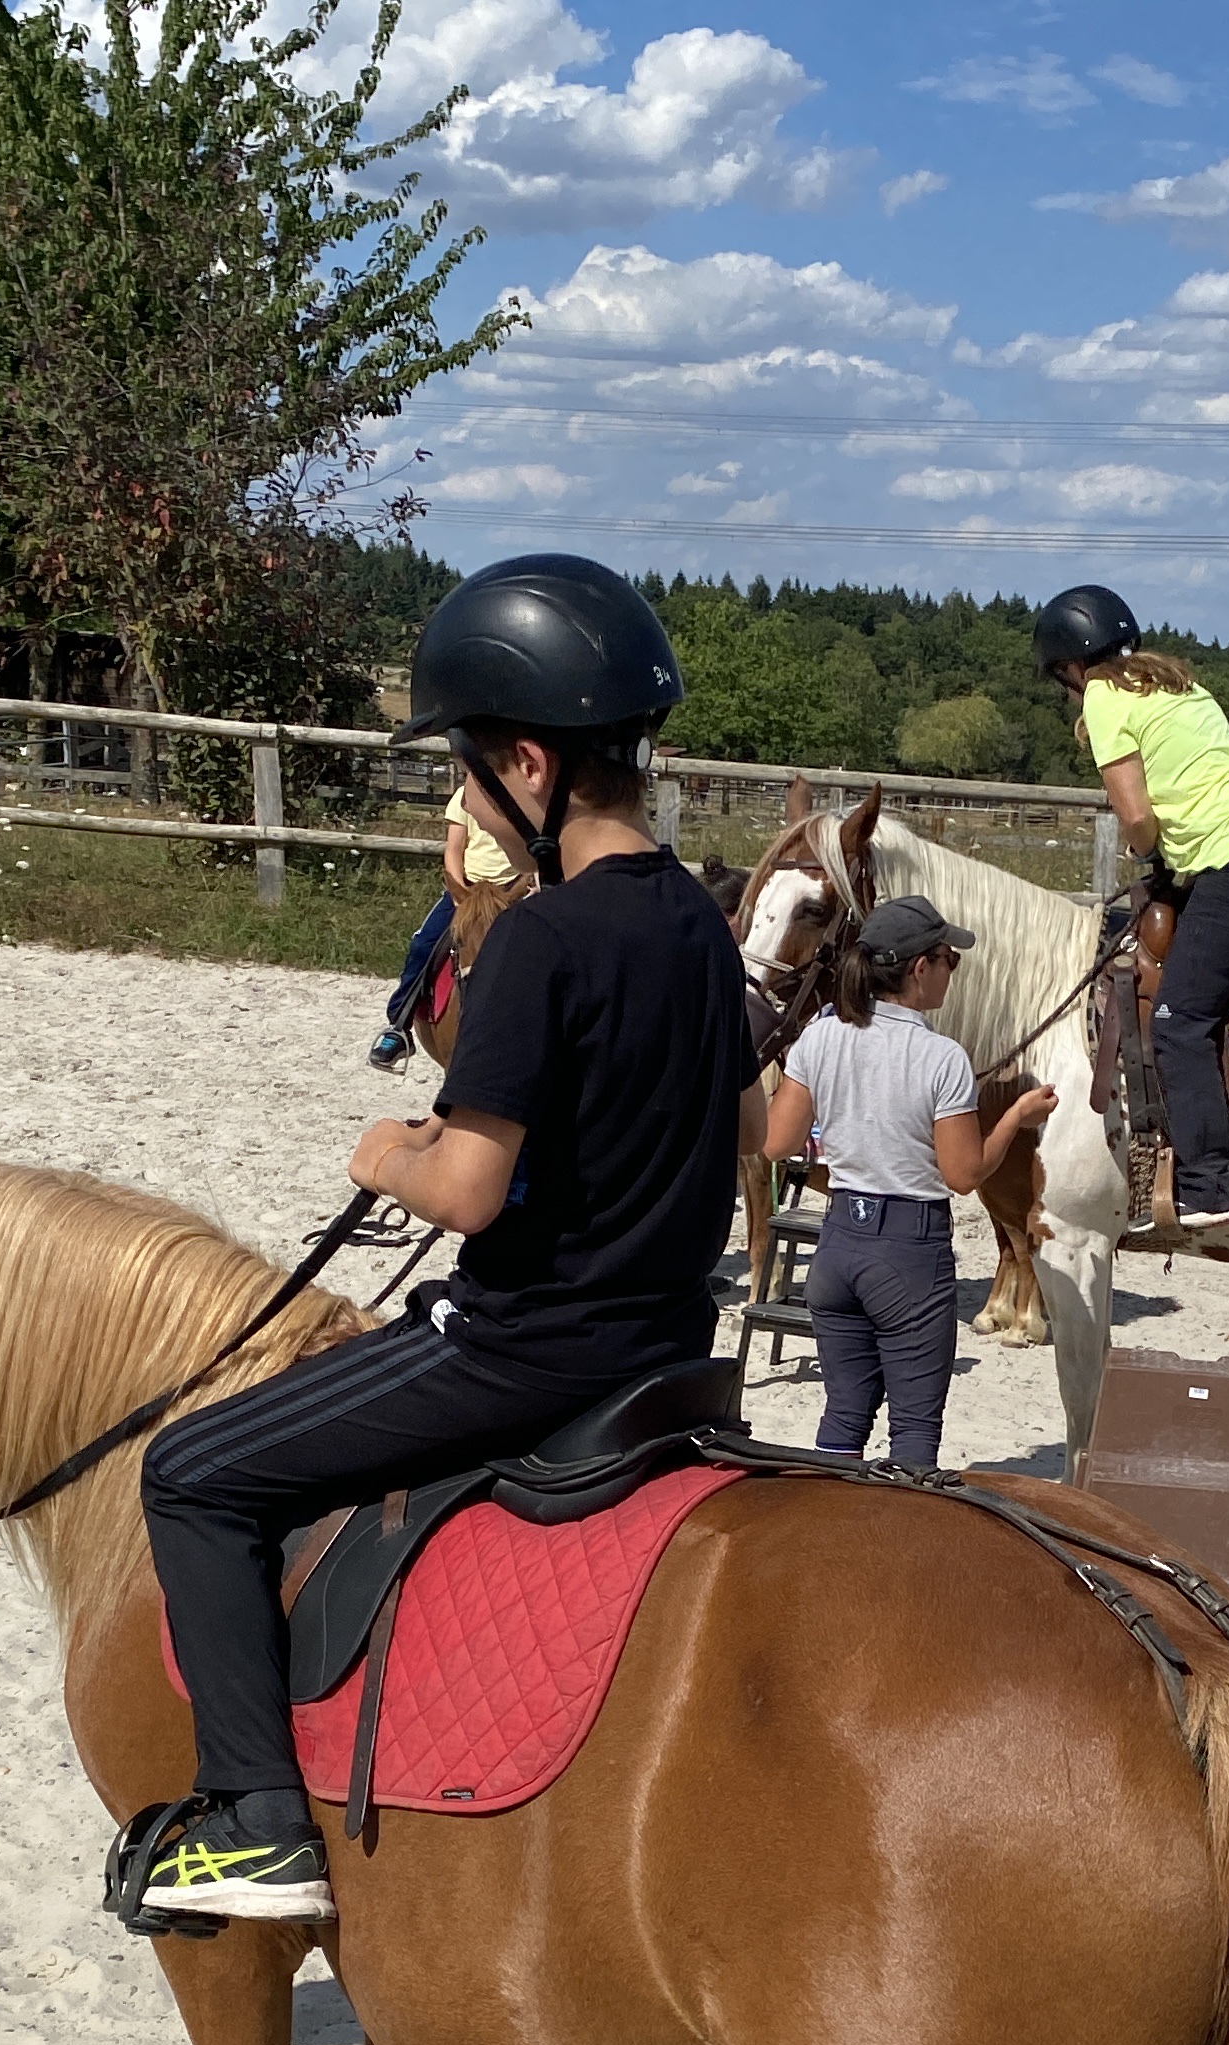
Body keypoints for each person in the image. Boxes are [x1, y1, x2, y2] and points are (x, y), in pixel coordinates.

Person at [130, 554, 764, 1920]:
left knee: (190, 1471)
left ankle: (255, 1820)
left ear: (530, 765)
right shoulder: (699, 927)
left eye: (467, 776)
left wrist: (387, 1154)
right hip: (669, 1342)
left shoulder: (544, 938)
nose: (463, 807)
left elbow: (471, 1191)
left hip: (529, 1349)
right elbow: (749, 1123)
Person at [1032, 583, 1229, 1233]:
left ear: (1070, 664)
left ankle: (1207, 1184)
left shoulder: (1104, 699)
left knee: (1179, 1017)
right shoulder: (1167, 679)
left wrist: (1145, 850)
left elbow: (1135, 817)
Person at [759, 895, 1056, 1467]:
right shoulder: (942, 1058)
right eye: (950, 960)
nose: (952, 972)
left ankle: (826, 1511)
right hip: (908, 1250)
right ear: (921, 967)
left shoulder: (821, 1037)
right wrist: (1016, 1118)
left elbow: (777, 1143)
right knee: (914, 1431)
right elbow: (964, 1175)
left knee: (843, 1418)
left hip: (839, 1242)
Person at [367, 780, 527, 1069]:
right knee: (423, 944)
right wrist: (458, 892)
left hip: (515, 889)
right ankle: (399, 1025)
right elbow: (453, 850)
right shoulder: (466, 796)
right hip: (469, 889)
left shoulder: (528, 796)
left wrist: (535, 881)